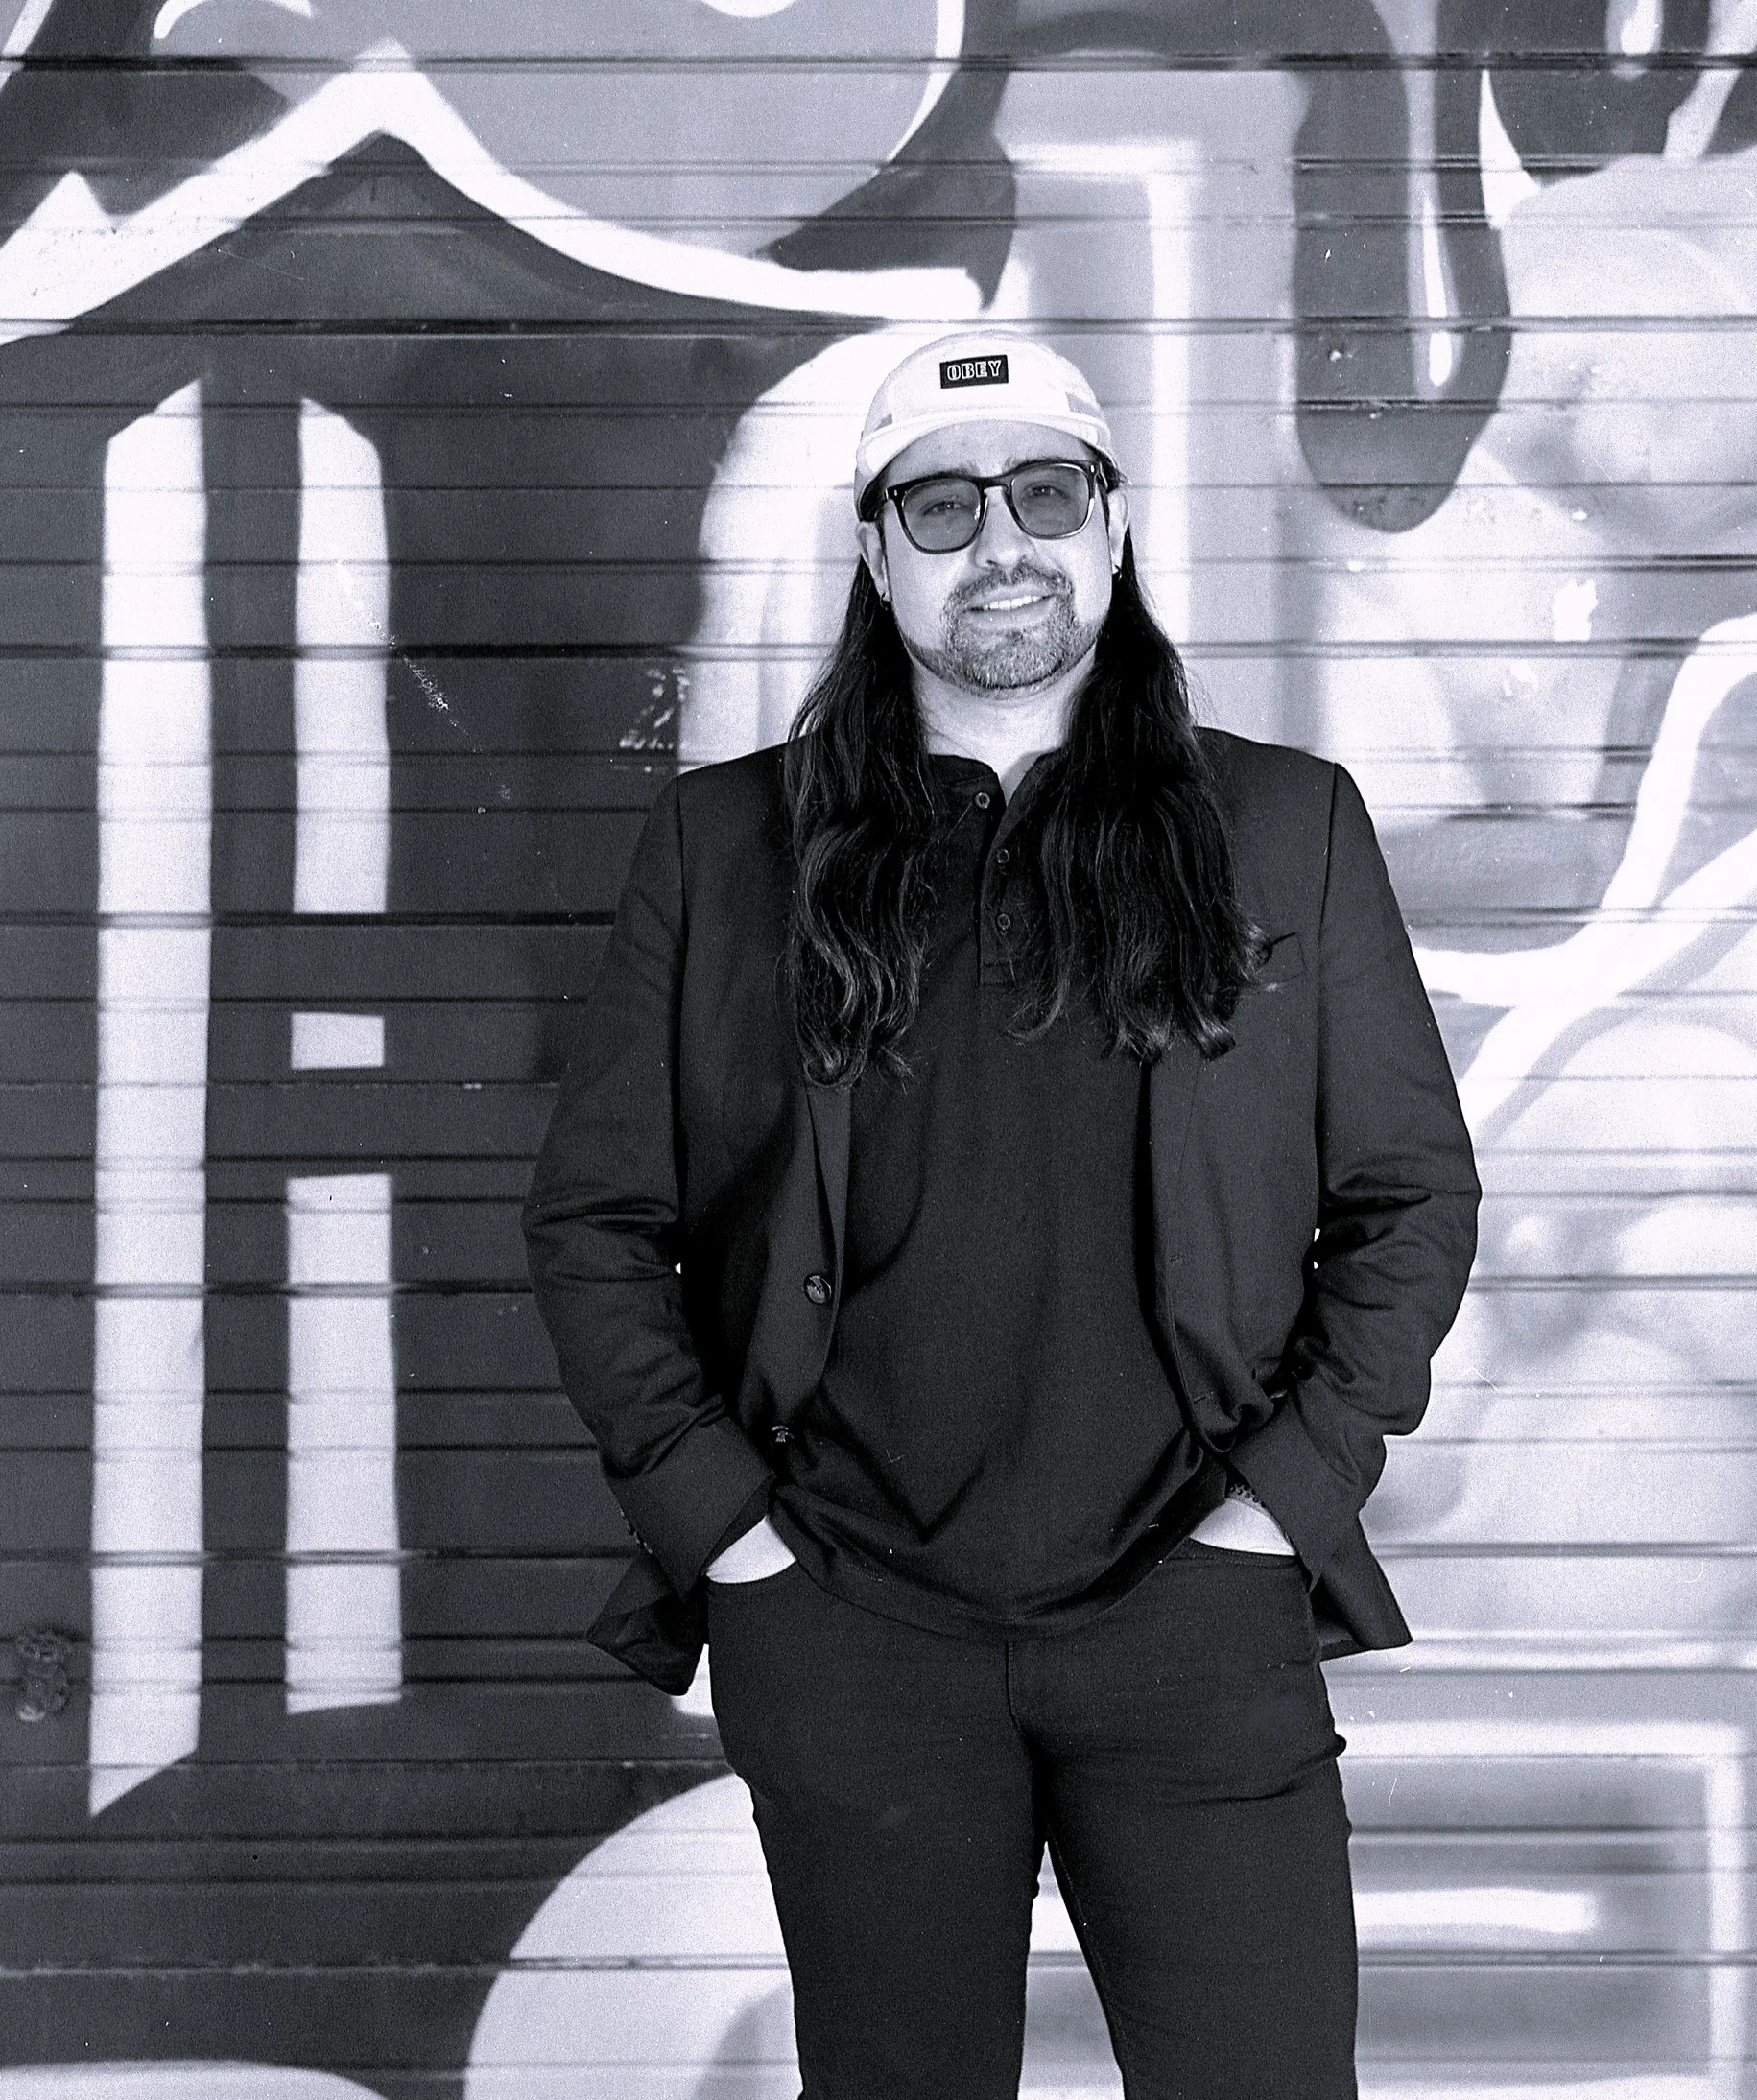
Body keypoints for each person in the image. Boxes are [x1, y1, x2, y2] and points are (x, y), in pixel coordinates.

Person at [523, 330, 1480, 2099]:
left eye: (1048, 493)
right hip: (855, 1630)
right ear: (877, 551)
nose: (1001, 545)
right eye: (944, 506)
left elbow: (1409, 1195)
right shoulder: (728, 852)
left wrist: (1285, 1502)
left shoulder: (1284, 829)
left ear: (1111, 531)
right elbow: (596, 1220)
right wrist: (726, 1534)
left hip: (1197, 1616)